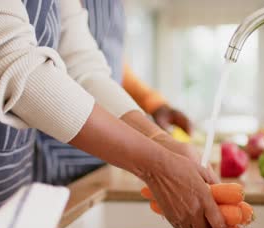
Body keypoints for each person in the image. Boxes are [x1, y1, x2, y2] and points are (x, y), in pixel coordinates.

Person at [0, 0, 226, 228]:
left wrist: (160, 141)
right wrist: (155, 165)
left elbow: (82, 68)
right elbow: (7, 58)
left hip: (7, 199)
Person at [34, 0, 193, 185]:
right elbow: (69, 65)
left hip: (112, 144)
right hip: (58, 144)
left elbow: (106, 67)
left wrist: (154, 105)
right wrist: (153, 149)